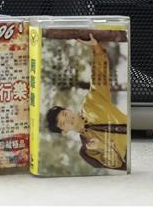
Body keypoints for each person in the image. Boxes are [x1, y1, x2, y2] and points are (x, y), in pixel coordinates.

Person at [45, 34, 128, 170]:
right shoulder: (89, 151)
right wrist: (101, 147)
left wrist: (96, 47)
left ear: (69, 110)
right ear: (64, 131)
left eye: (65, 114)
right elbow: (116, 164)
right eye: (63, 123)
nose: (68, 119)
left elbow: (99, 77)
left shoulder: (91, 102)